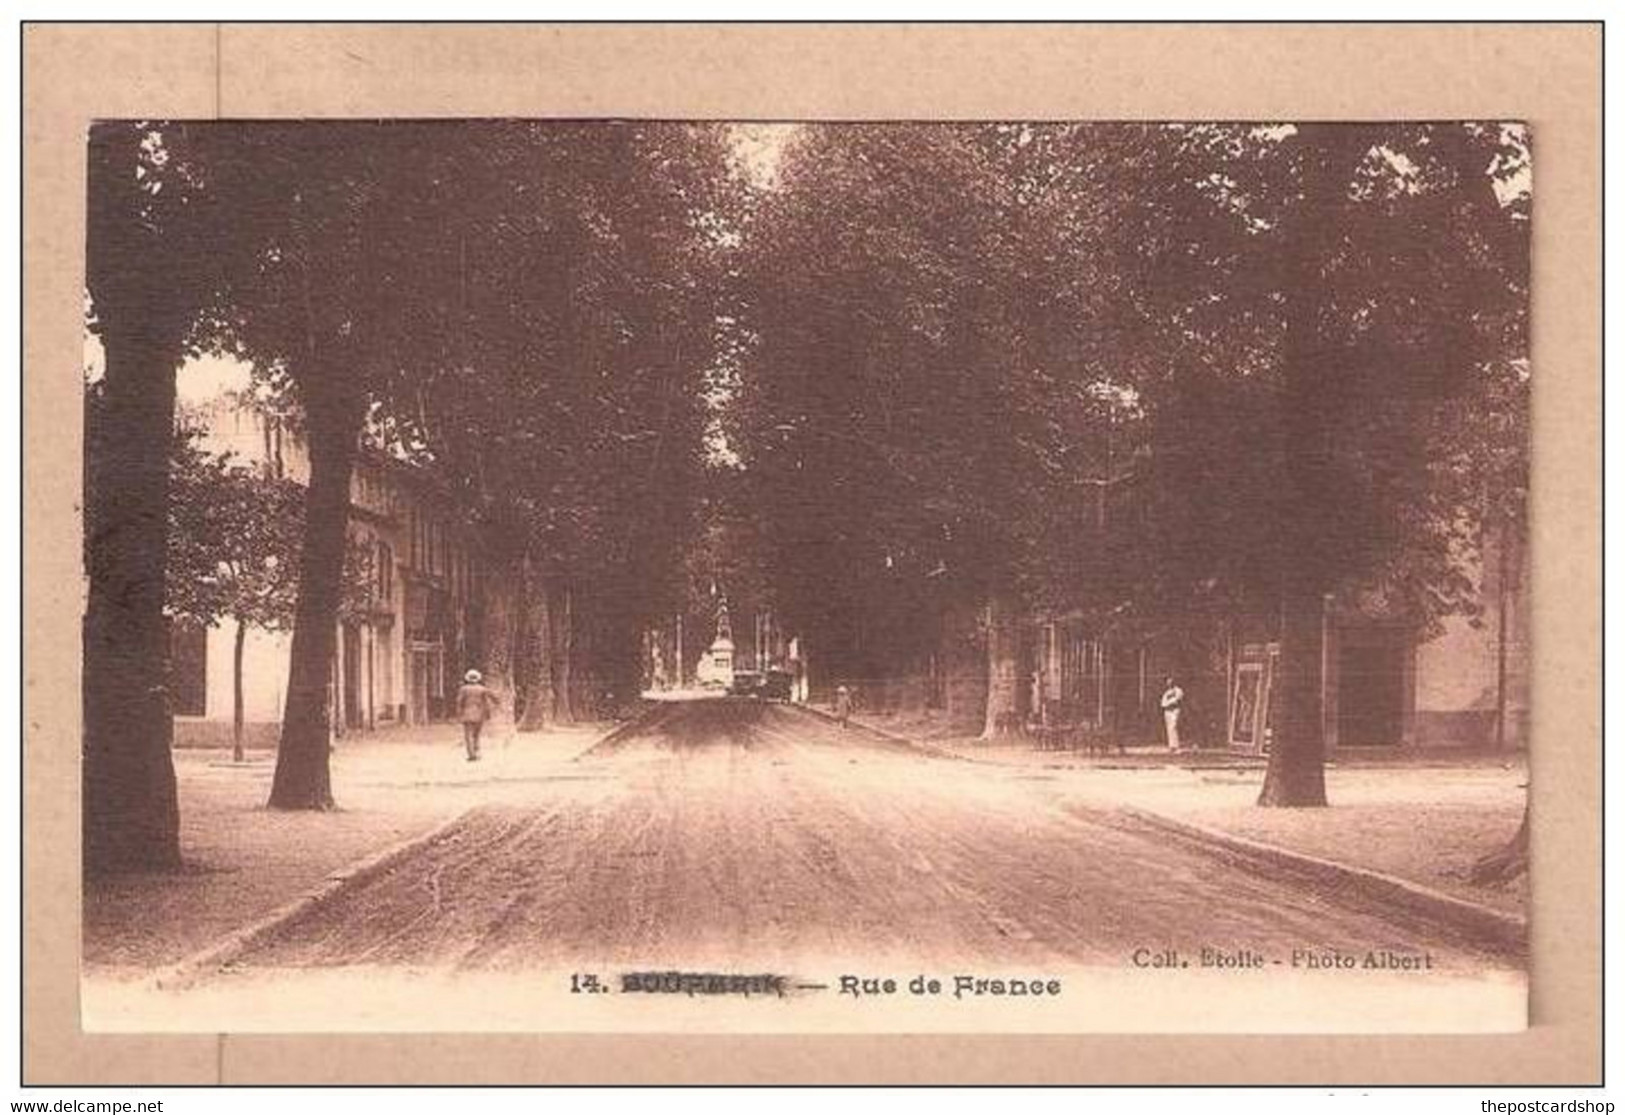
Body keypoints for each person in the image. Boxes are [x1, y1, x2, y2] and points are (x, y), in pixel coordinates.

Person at [456, 669, 500, 762]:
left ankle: (472, 755)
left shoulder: (463, 689)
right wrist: (497, 703)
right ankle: (477, 752)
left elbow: (459, 702)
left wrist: (459, 714)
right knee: (476, 735)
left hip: (467, 715)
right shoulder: (482, 689)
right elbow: (494, 697)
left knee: (468, 736)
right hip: (480, 715)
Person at [1159, 676, 1185, 753]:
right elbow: (1163, 703)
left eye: (1170, 681)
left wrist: (1169, 703)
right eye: (1168, 681)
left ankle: (1176, 746)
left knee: (1173, 726)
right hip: (1167, 711)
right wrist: (1166, 705)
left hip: (1175, 710)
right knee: (1169, 728)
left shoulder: (1178, 690)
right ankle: (1171, 746)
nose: (1169, 682)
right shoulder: (1166, 692)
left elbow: (1177, 700)